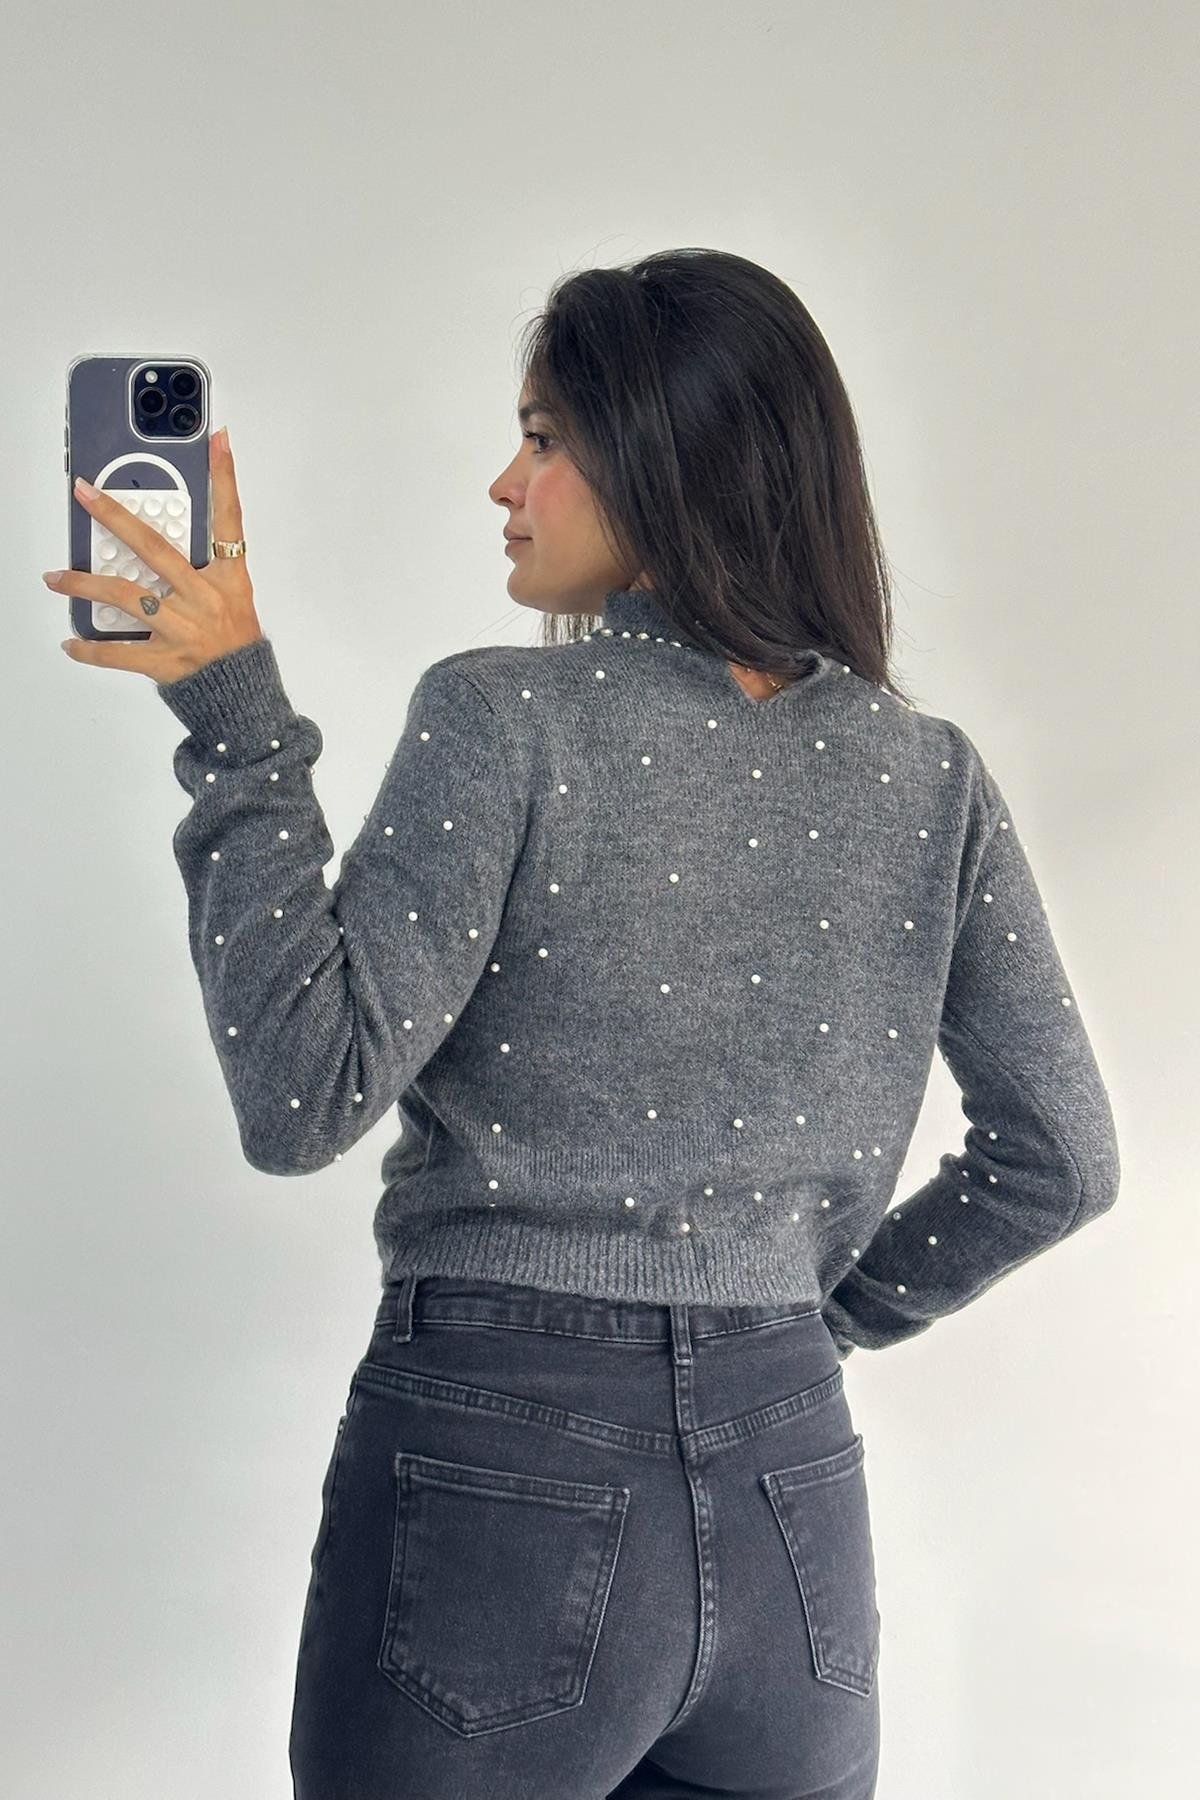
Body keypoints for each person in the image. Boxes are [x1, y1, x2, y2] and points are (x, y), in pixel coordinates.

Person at [153, 249, 1120, 1799]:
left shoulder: (503, 717)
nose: (505, 484)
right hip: (794, 1502)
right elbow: (1060, 1162)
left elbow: (301, 1093)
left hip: (501, 1476)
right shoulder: (929, 775)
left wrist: (231, 713)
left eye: (543, 437)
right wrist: (806, 1326)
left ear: (666, 458)